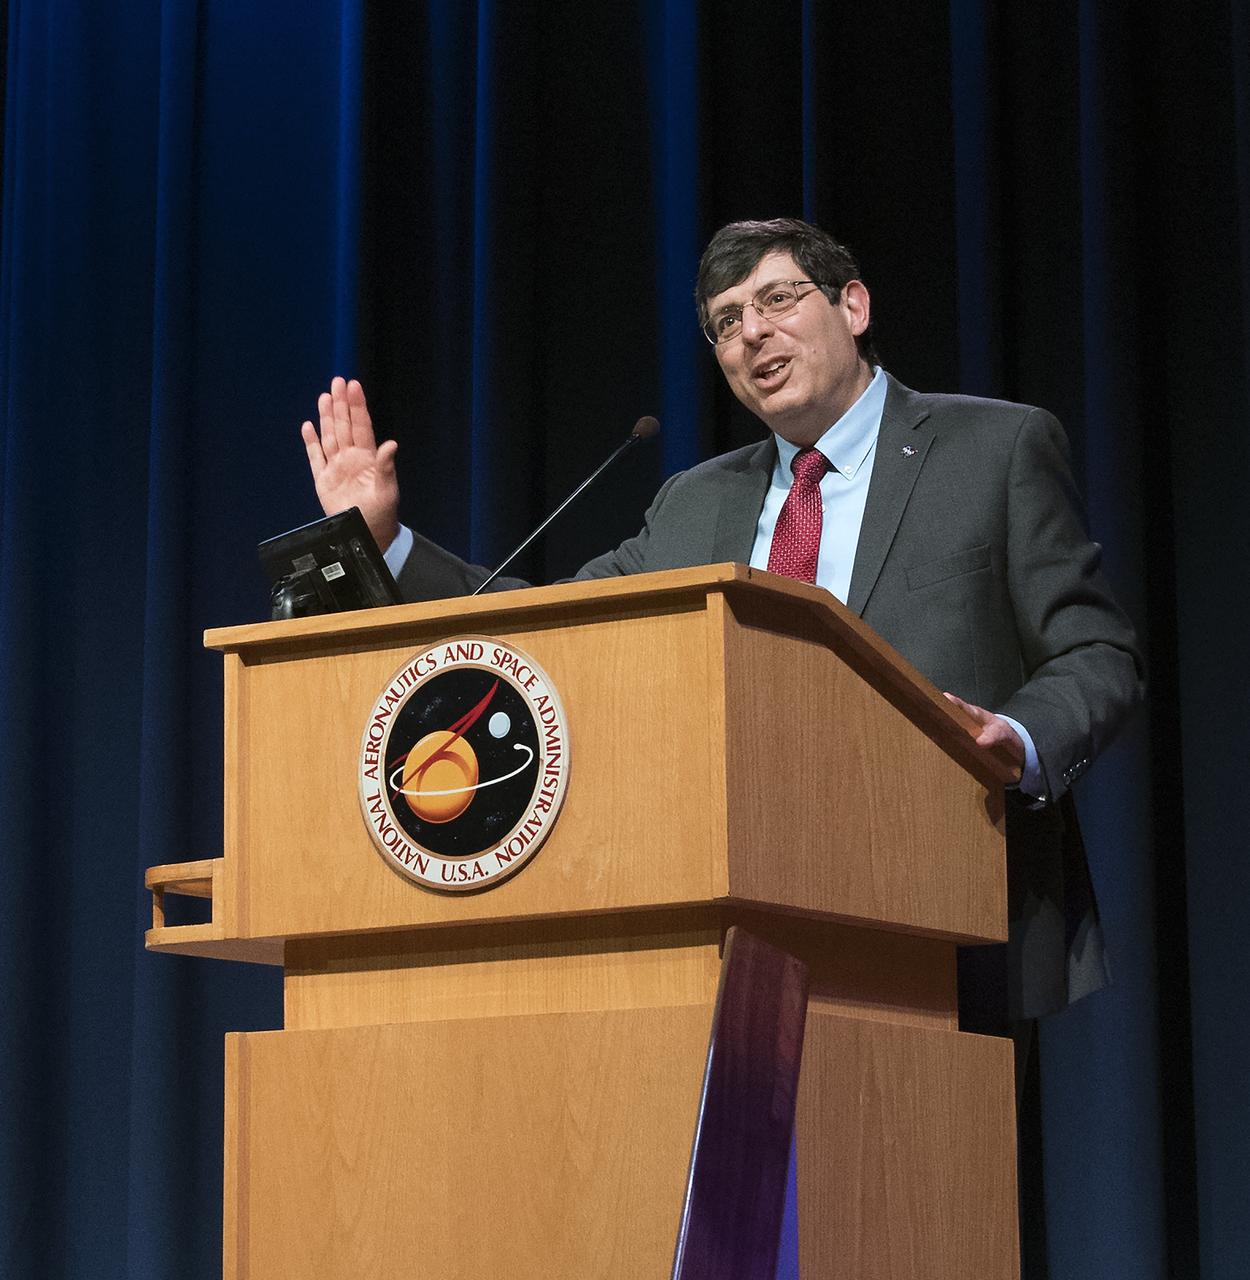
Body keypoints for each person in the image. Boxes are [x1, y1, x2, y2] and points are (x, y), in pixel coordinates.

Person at [301, 218, 1144, 1032]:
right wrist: (387, 547)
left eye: (777, 299)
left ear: (853, 306)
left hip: (946, 901)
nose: (752, 334)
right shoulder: (697, 501)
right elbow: (547, 625)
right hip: (741, 912)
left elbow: (1095, 649)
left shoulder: (994, 450)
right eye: (727, 322)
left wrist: (1019, 739)